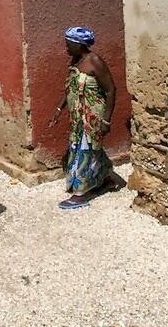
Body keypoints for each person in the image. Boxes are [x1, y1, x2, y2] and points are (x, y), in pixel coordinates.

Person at [49, 26, 121, 210]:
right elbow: (71, 88)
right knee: (89, 148)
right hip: (78, 116)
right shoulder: (76, 61)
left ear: (79, 45)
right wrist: (59, 108)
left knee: (85, 150)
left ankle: (81, 194)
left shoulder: (94, 61)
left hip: (93, 116)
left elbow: (111, 90)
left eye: (68, 45)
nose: (65, 48)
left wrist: (106, 120)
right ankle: (105, 179)